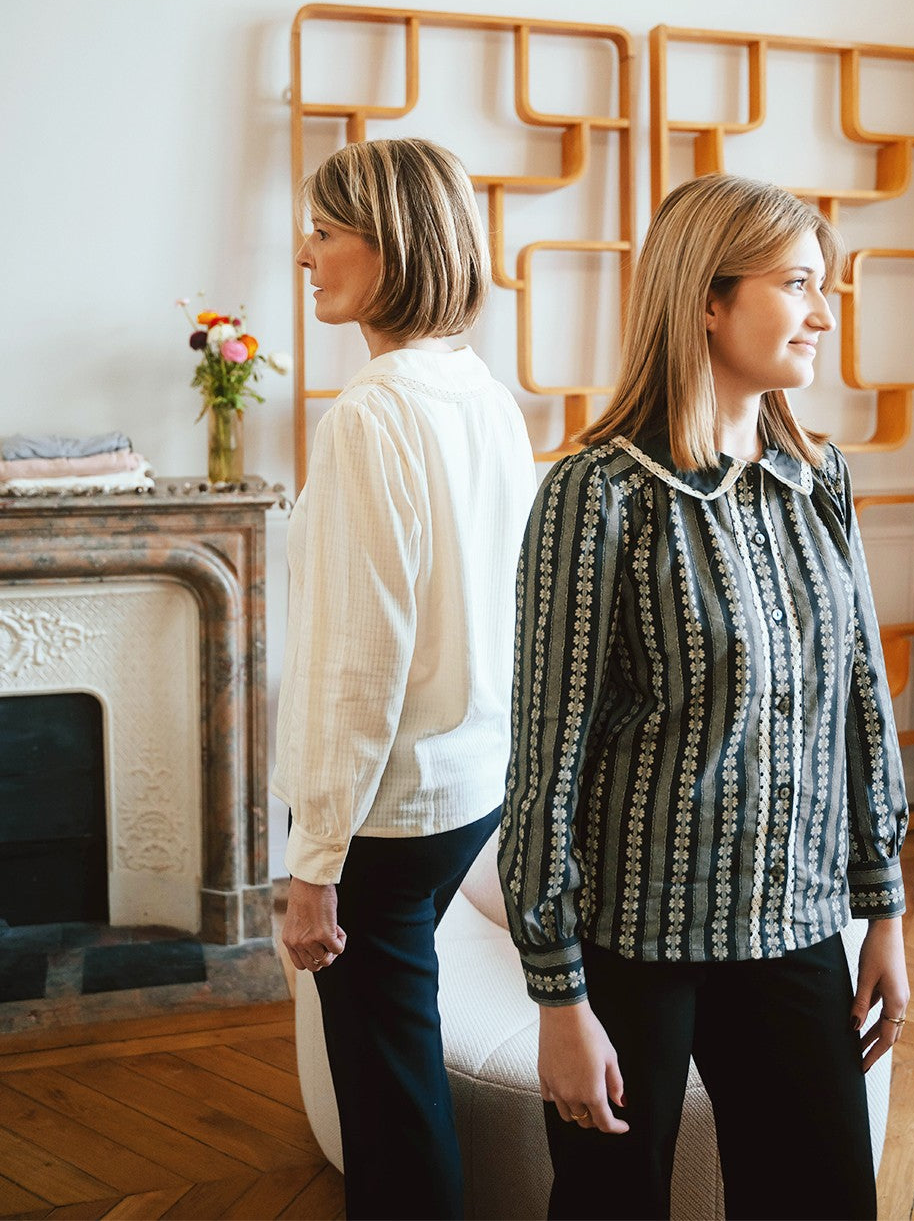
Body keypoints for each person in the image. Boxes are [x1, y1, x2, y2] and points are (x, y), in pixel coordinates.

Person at [499, 172, 909, 1221]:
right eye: (798, 284)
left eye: (827, 289)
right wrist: (557, 998)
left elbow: (860, 701)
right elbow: (545, 760)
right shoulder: (598, 495)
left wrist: (884, 912)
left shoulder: (821, 479)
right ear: (707, 301)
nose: (823, 314)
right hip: (637, 946)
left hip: (797, 927)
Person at [272, 137, 537, 1220]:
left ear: (386, 249)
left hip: (386, 810)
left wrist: (313, 860)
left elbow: (356, 663)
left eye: (325, 232)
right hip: (468, 788)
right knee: (402, 1048)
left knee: (387, 1091)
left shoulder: (373, 414)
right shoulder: (483, 394)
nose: (304, 253)